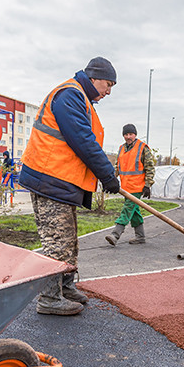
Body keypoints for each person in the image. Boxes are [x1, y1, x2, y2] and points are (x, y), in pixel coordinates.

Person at [19, 56, 120, 316]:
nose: (108, 91)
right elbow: (83, 141)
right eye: (108, 84)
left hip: (60, 181)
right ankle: (49, 298)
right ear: (94, 77)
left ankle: (64, 286)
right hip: (49, 178)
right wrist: (107, 175)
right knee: (57, 241)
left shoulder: (82, 99)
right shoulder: (70, 96)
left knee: (69, 240)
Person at [105, 124, 155, 246]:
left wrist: (148, 185)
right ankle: (140, 236)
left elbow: (150, 167)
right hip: (125, 187)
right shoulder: (121, 148)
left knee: (127, 209)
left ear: (135, 134)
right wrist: (110, 180)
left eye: (130, 134)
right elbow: (118, 166)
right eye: (126, 134)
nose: (128, 137)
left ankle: (115, 234)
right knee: (134, 210)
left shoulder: (143, 148)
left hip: (137, 187)